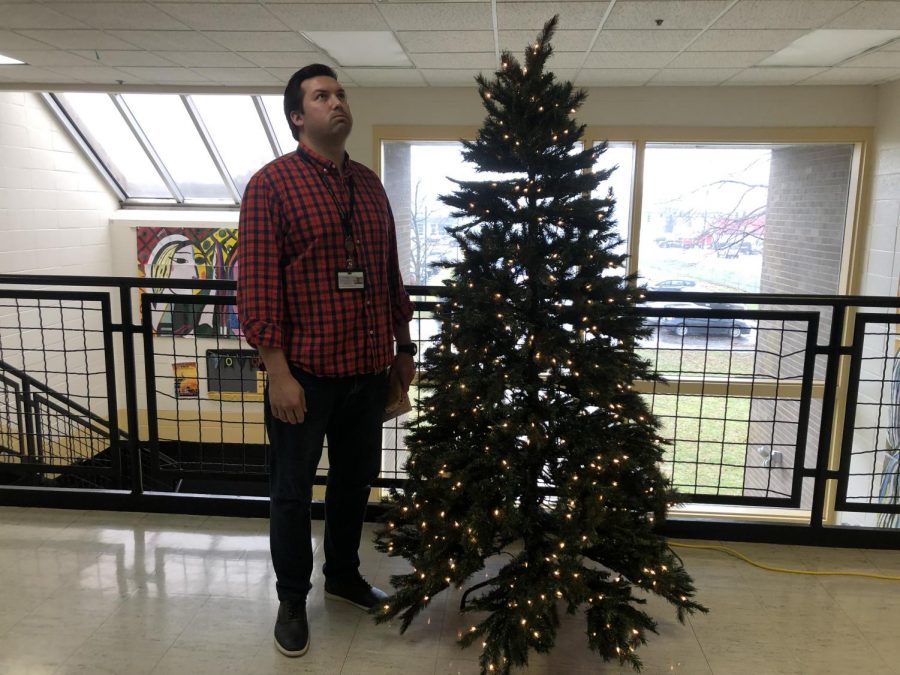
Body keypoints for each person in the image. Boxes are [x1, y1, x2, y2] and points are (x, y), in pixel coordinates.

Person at [236, 64, 415, 658]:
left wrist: (402, 349)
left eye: (339, 94)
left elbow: (388, 275)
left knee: (352, 482)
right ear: (297, 117)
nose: (336, 102)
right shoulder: (271, 186)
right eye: (321, 96)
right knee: (290, 491)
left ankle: (341, 576)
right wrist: (278, 372)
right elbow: (258, 288)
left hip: (367, 370)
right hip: (304, 377)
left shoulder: (368, 184)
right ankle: (292, 599)